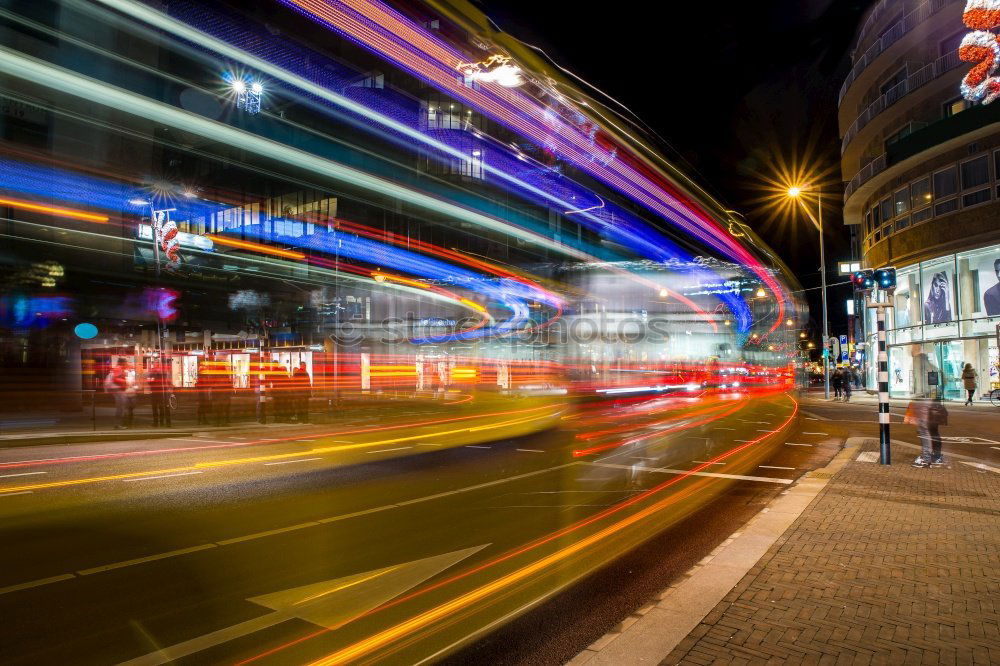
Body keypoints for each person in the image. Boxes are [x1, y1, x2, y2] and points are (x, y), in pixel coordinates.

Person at [905, 398, 948, 467]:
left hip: (925, 403)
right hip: (933, 403)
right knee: (932, 431)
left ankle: (926, 459)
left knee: (924, 431)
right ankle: (936, 456)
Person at [105, 358, 131, 429]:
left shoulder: (119, 369)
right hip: (118, 390)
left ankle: (118, 424)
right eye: (126, 362)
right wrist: (125, 381)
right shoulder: (118, 368)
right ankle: (118, 424)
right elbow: (115, 379)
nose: (127, 364)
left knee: (121, 407)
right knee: (120, 407)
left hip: (118, 389)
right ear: (122, 363)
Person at [148, 359, 172, 427]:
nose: (157, 364)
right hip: (159, 392)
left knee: (159, 407)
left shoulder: (156, 372)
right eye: (156, 363)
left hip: (159, 392)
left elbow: (150, 382)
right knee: (159, 407)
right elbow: (149, 381)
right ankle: (160, 422)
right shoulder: (161, 372)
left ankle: (158, 422)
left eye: (157, 363)